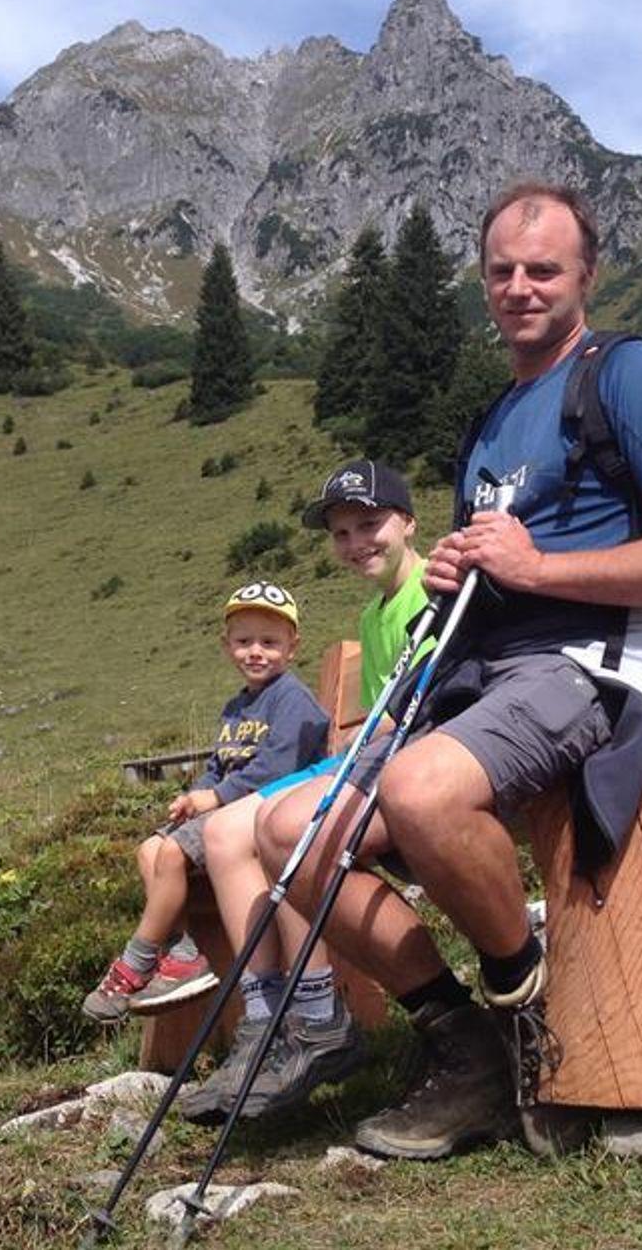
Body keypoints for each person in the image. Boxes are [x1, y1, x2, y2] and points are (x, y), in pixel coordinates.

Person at [255, 180, 642, 1159]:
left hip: (597, 659)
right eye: (501, 271)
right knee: (289, 835)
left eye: (543, 270)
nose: (520, 287)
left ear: (586, 275)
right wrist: (459, 572)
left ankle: (531, 1016)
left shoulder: (627, 375)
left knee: (422, 790)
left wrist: (535, 569)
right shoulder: (489, 420)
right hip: (492, 670)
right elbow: (505, 558)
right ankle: (466, 1049)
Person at [177, 459, 430, 1122]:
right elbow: (378, 720)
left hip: (418, 764)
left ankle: (316, 1013)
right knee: (224, 830)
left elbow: (415, 715)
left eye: (369, 525)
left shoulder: (433, 591)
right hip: (373, 757)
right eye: (341, 532)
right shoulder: (375, 615)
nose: (355, 543)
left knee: (281, 824)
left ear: (408, 522)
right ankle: (266, 1016)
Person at [81, 581, 329, 1022]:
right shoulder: (235, 708)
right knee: (150, 849)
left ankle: (136, 961)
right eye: (244, 641)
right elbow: (219, 765)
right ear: (227, 645)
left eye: (269, 642)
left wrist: (215, 797)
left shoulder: (293, 699)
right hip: (228, 809)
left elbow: (277, 767)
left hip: (267, 810)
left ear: (292, 647)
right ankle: (182, 951)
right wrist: (195, 796)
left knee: (172, 852)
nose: (256, 652)